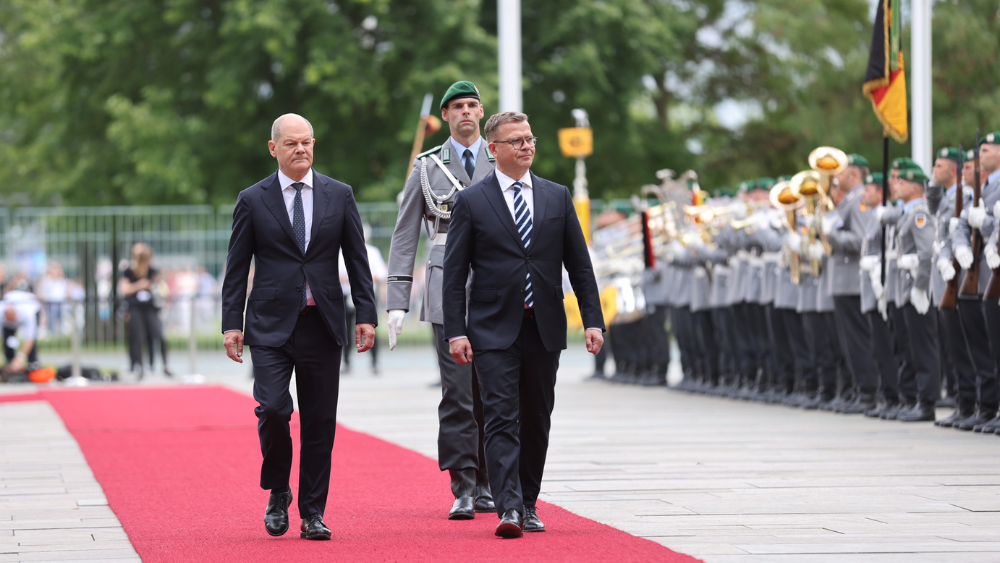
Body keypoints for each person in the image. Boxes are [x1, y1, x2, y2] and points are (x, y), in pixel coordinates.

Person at [442, 111, 605, 538]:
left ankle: (529, 502)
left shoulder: (556, 196)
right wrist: (456, 331)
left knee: (536, 418)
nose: (526, 146)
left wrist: (592, 319)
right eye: (516, 141)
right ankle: (509, 508)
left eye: (530, 139)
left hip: (544, 326)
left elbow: (579, 265)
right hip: (492, 328)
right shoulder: (472, 201)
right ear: (493, 149)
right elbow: (454, 274)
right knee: (499, 416)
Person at [221, 113, 377, 541]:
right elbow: (236, 267)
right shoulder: (252, 199)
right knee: (273, 410)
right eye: (291, 143)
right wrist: (232, 324)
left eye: (306, 142)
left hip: (322, 324)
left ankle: (313, 512)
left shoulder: (339, 194)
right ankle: (278, 489)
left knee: (319, 422)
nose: (301, 149)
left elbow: (357, 260)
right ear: (274, 149)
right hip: (269, 326)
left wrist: (367, 314)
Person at [386, 81, 496, 519]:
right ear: (446, 115)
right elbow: (405, 234)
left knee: (494, 389)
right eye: (457, 106)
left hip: (496, 285)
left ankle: (491, 479)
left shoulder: (501, 157)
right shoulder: (427, 166)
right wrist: (397, 300)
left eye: (472, 105)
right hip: (445, 280)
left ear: (481, 111)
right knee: (457, 391)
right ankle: (464, 484)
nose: (465, 112)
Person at [120, 243, 170, 379]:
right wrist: (139, 285)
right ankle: (140, 367)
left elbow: (162, 288)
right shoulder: (130, 271)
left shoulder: (152, 271)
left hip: (150, 308)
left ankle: (165, 365)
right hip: (135, 308)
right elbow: (124, 289)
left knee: (159, 334)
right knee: (138, 337)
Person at [0, 287, 41, 382]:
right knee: (8, 340)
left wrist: (20, 357)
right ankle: (10, 363)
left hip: (33, 306)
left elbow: (30, 338)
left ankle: (32, 366)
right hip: (11, 307)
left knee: (33, 343)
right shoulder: (1, 312)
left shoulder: (28, 312)